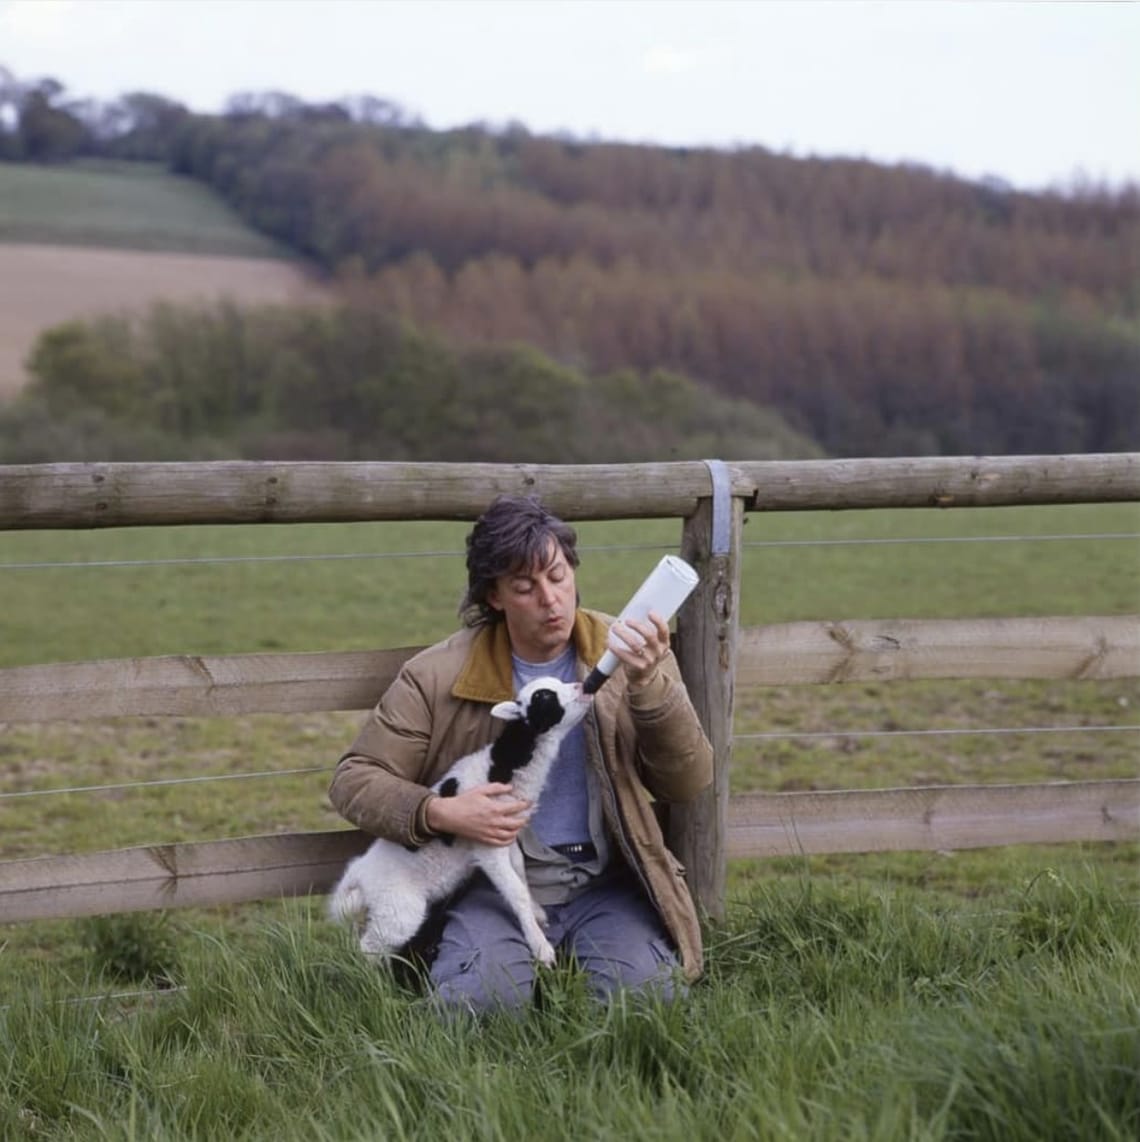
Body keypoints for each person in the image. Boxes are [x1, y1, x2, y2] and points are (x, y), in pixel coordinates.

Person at [328, 494, 713, 1012]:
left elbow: (687, 781)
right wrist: (439, 812)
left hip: (606, 885)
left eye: (557, 576)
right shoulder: (436, 675)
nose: (551, 600)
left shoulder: (627, 655)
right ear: (495, 596)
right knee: (480, 1007)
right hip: (494, 889)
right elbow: (354, 779)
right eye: (525, 587)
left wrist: (650, 685)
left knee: (648, 1005)